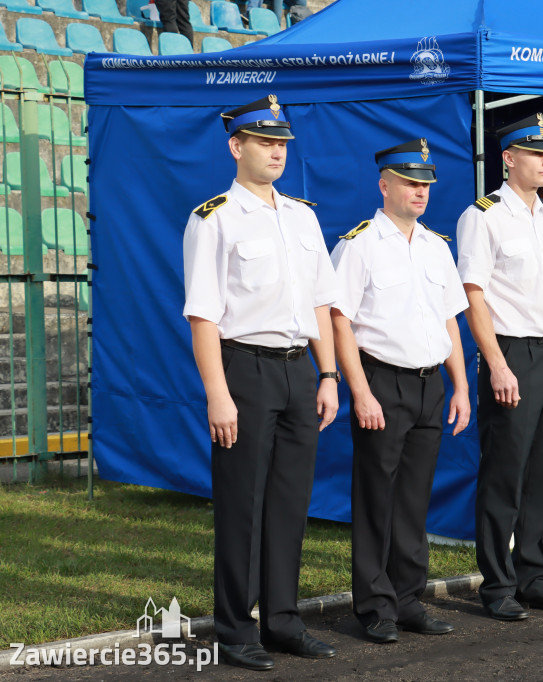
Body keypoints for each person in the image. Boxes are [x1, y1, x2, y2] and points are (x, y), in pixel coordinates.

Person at [182, 95, 339, 670]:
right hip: (243, 368)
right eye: (265, 142)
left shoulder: (303, 215)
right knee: (242, 504)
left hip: (300, 369)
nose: (276, 152)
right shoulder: (213, 217)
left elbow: (322, 304)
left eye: (282, 144)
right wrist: (218, 394)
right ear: (236, 146)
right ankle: (234, 629)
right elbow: (204, 316)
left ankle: (283, 621)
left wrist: (327, 373)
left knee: (290, 505)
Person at [330, 139, 471, 644]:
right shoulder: (359, 244)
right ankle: (373, 606)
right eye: (411, 182)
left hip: (430, 382)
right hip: (382, 381)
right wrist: (360, 391)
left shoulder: (436, 246)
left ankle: (409, 599)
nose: (421, 191)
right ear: (383, 184)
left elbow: (452, 321)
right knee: (375, 499)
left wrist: (460, 386)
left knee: (413, 500)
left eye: (427, 184)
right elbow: (339, 320)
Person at [457, 113, 543, 621]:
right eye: (536, 153)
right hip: (511, 351)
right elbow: (473, 294)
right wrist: (495, 363)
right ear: (508, 158)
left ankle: (534, 576)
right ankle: (496, 585)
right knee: (504, 473)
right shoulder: (483, 215)